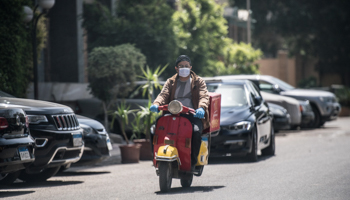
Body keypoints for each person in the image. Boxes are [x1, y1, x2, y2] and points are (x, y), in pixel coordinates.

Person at [150, 55, 210, 171]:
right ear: (176, 68)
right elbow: (164, 94)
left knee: (196, 132)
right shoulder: (171, 82)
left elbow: (204, 96)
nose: (184, 68)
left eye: (186, 66)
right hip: (173, 113)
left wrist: (201, 108)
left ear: (190, 67)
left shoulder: (198, 81)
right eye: (181, 66)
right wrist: (156, 104)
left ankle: (192, 163)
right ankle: (156, 156)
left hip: (192, 115)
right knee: (155, 128)